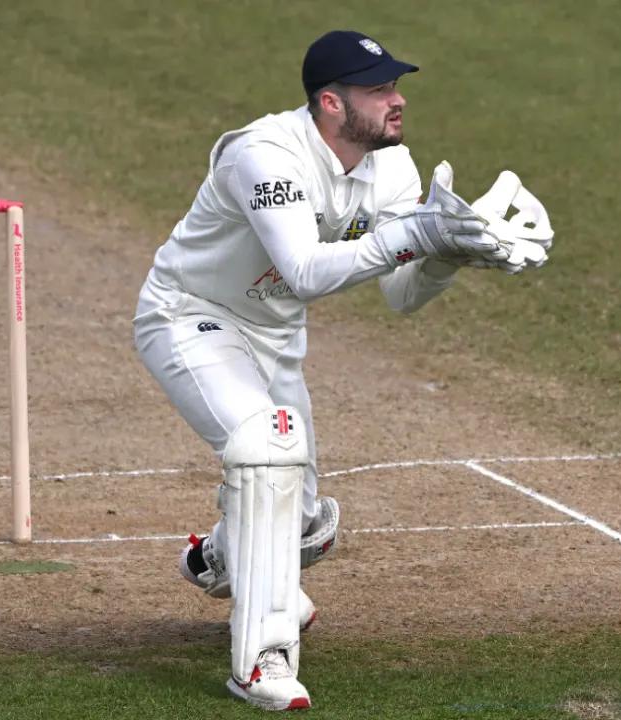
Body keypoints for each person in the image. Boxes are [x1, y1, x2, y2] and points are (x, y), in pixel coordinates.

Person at [132, 29, 552, 711]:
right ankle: (261, 661)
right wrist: (410, 235)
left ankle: (221, 558)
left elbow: (401, 292)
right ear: (331, 102)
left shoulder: (392, 168)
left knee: (305, 530)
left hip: (274, 335)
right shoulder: (262, 157)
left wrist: (447, 253)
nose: (398, 99)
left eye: (395, 85)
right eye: (379, 89)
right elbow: (302, 270)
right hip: (191, 317)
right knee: (269, 448)